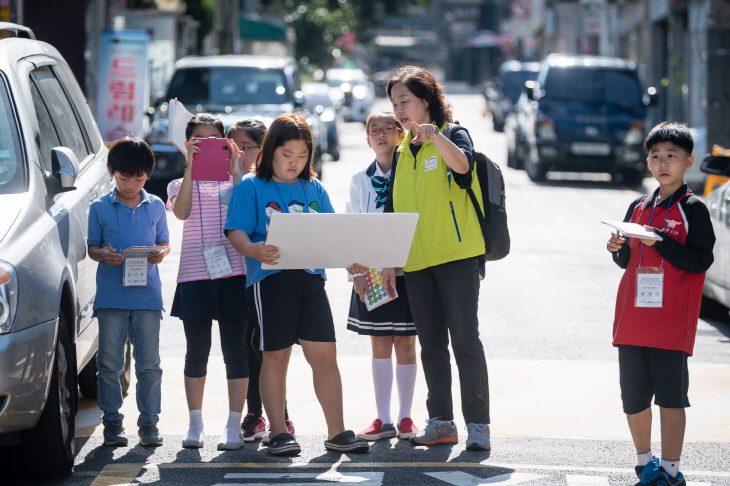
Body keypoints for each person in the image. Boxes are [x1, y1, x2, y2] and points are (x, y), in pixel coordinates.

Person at [225, 113, 369, 456]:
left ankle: (337, 432)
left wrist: (354, 261)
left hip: (311, 280)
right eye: (287, 154)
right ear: (270, 150)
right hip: (269, 281)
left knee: (325, 356)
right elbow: (236, 231)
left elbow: (333, 232)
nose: (295, 162)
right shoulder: (250, 186)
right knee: (275, 357)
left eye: (302, 155)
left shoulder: (314, 187)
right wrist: (252, 249)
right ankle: (278, 433)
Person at [383, 66, 491, 451]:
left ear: (426, 100)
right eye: (394, 102)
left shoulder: (453, 134)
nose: (399, 109)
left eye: (405, 100)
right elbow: (393, 210)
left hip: (457, 256)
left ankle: (478, 425)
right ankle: (441, 422)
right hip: (415, 263)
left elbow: (464, 168)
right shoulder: (400, 151)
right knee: (431, 344)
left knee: (465, 342)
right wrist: (390, 261)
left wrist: (435, 137)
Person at [607, 122, 715, 486]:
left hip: (671, 320)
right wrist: (618, 250)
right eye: (655, 156)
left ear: (689, 162)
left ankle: (671, 471)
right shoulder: (638, 205)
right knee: (633, 397)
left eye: (672, 156)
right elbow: (628, 263)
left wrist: (661, 243)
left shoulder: (693, 208)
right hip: (633, 317)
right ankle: (645, 464)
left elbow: (700, 261)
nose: (662, 163)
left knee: (671, 397)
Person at [167, 113, 249, 450]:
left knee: (236, 352)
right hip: (194, 274)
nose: (206, 146)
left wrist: (235, 169)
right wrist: (191, 167)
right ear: (188, 145)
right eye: (198, 141)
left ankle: (233, 425)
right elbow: (182, 212)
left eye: (214, 139)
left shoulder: (238, 181)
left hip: (234, 272)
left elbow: (247, 211)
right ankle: (196, 424)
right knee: (196, 352)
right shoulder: (177, 183)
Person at [87, 137, 170, 447]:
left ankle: (149, 423)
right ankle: (112, 423)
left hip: (148, 297)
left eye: (139, 177)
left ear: (148, 174)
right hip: (111, 298)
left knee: (150, 364)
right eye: (124, 177)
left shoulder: (157, 205)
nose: (132, 184)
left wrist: (160, 253)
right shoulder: (99, 207)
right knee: (109, 365)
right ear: (111, 171)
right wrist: (103, 256)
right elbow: (91, 247)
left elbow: (164, 242)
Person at [345, 111, 419, 441]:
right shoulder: (360, 179)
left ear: (401, 135)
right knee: (379, 343)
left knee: (405, 342)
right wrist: (355, 273)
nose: (381, 134)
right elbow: (352, 224)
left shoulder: (411, 173)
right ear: (367, 139)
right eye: (373, 130)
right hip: (372, 273)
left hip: (407, 270)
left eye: (389, 128)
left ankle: (405, 418)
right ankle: (383, 419)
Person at [226, 119, 296, 443]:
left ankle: (278, 415)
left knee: (268, 346)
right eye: (232, 146)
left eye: (246, 147)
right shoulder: (223, 179)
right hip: (227, 274)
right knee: (245, 346)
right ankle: (254, 414)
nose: (239, 153)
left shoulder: (268, 183)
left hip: (263, 277)